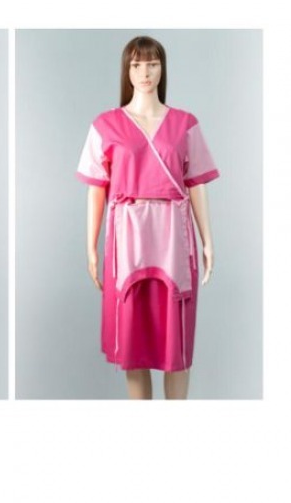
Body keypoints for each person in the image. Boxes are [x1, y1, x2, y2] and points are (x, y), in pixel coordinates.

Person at [76, 36, 219, 399]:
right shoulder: (106, 124)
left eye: (152, 64)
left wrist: (208, 241)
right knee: (133, 339)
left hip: (174, 237)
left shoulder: (185, 123)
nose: (145, 72)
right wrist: (90, 247)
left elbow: (196, 183)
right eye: (137, 64)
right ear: (127, 70)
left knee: (177, 342)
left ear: (162, 68)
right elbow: (97, 189)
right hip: (128, 238)